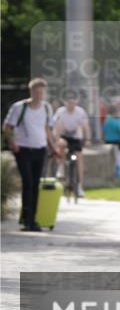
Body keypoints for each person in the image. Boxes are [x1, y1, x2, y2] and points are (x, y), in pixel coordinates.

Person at [3, 79, 56, 231]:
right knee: (28, 183)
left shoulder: (47, 108)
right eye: (36, 92)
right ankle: (29, 221)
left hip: (40, 149)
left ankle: (30, 218)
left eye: (42, 92)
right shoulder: (19, 108)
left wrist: (53, 147)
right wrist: (12, 143)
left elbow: (47, 129)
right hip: (23, 150)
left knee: (35, 184)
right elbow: (7, 127)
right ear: (31, 92)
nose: (39, 95)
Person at [51, 94, 91, 197]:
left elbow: (86, 127)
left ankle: (79, 186)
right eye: (69, 103)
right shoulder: (60, 112)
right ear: (65, 103)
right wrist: (56, 140)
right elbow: (56, 127)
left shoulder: (80, 112)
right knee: (61, 144)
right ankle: (61, 165)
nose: (71, 105)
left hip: (76, 137)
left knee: (79, 158)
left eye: (73, 103)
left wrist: (88, 139)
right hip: (64, 135)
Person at [103, 104, 120, 179]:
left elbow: (104, 132)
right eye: (118, 113)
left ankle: (114, 174)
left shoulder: (106, 121)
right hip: (117, 142)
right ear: (114, 113)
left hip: (108, 143)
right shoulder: (117, 122)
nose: (119, 114)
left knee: (112, 159)